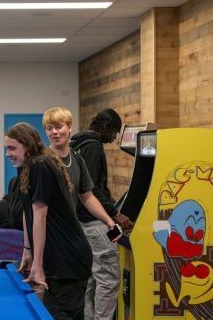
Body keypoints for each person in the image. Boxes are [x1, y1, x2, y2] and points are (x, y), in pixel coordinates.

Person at [5, 122, 93, 320]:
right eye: (7, 149)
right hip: (57, 259)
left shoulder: (40, 165)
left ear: (27, 146)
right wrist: (28, 250)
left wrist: (38, 264)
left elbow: (40, 216)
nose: (8, 154)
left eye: (12, 148)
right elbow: (28, 212)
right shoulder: (26, 166)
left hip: (68, 260)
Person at [70, 108, 134, 320]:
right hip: (95, 222)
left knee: (90, 279)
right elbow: (92, 189)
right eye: (114, 132)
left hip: (79, 222)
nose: (114, 138)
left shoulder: (77, 143)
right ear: (104, 127)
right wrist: (115, 213)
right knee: (108, 279)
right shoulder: (94, 146)